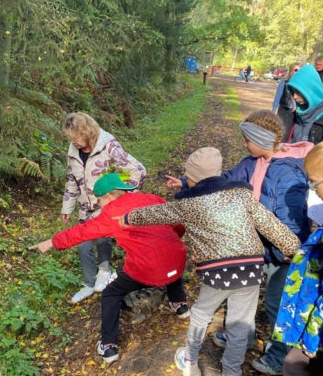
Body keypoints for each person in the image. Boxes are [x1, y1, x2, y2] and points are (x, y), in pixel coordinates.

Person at [117, 147, 301, 376]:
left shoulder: (188, 204)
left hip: (219, 272)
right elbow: (269, 223)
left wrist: (128, 217)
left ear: (191, 178)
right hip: (251, 268)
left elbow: (157, 213)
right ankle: (232, 371)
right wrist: (293, 247)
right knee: (239, 325)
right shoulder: (241, 195)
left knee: (201, 314)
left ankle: (190, 359)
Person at [165, 111, 312, 375]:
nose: (244, 144)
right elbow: (223, 182)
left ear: (261, 140)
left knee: (275, 303)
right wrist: (189, 181)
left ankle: (277, 357)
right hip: (253, 247)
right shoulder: (251, 162)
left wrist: (286, 250)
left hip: (281, 252)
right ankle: (241, 339)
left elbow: (292, 217)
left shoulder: (288, 172)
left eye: (247, 140)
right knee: (245, 297)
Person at [30, 173, 188, 363]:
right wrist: (175, 238)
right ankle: (180, 305)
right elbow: (177, 219)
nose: (99, 204)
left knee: (111, 293)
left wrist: (51, 242)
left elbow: (81, 232)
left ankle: (108, 346)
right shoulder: (149, 198)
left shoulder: (112, 214)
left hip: (149, 268)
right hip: (178, 258)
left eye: (99, 200)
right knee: (168, 260)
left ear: (108, 197)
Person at [61, 112, 146, 303]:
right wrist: (67, 207)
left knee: (102, 236)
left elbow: (138, 170)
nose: (73, 141)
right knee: (83, 244)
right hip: (85, 205)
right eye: (70, 138)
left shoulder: (108, 146)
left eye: (76, 137)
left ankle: (105, 270)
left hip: (104, 203)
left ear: (87, 132)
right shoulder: (73, 150)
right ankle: (89, 283)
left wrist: (123, 196)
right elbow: (71, 179)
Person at [273, 141, 323, 376]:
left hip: (316, 330)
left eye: (314, 181)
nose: (312, 188)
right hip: (309, 318)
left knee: (293, 366)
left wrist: (312, 338)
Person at [287, 64, 323, 144]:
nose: (294, 97)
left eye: (298, 92)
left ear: (311, 91)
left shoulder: (321, 119)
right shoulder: (296, 115)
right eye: (293, 92)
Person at [272, 62, 300, 141]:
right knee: (281, 131)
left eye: (299, 70)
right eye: (296, 70)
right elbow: (277, 98)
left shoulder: (301, 85)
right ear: (291, 71)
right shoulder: (283, 83)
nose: (297, 72)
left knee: (290, 134)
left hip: (295, 112)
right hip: (284, 109)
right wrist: (273, 112)